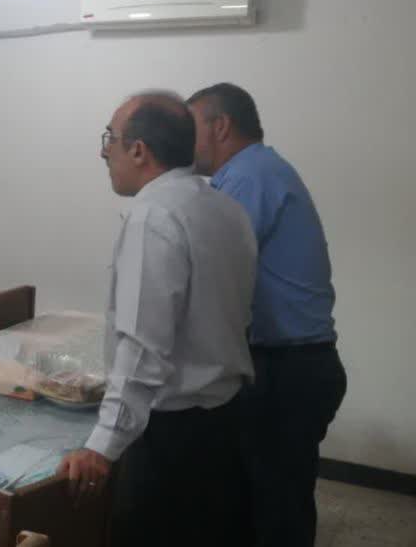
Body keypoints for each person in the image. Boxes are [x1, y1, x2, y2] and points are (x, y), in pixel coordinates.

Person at [57, 92, 257, 547]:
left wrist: (101, 446)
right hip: (225, 421)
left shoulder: (154, 216)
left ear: (139, 150)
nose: (104, 152)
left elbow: (143, 346)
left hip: (174, 439)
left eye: (110, 138)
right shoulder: (226, 208)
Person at [188, 83, 347, 547]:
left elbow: (210, 279)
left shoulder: (247, 177)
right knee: (265, 498)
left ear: (220, 126)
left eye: (190, 127)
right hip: (296, 365)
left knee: (276, 509)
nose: (182, 141)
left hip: (286, 371)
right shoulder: (256, 171)